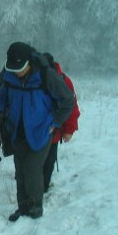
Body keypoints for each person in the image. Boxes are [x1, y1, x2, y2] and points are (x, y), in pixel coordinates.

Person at [0, 42, 75, 221]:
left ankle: (35, 207)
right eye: (13, 68)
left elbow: (68, 100)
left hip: (42, 130)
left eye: (20, 68)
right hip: (16, 131)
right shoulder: (9, 76)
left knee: (32, 169)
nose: (17, 71)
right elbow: (2, 96)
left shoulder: (46, 75)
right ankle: (22, 208)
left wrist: (56, 122)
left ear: (29, 62)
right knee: (20, 172)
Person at [42, 52, 80, 191]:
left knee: (48, 162)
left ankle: (43, 189)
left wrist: (69, 129)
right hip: (32, 130)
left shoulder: (63, 80)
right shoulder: (31, 79)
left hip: (53, 132)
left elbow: (71, 106)